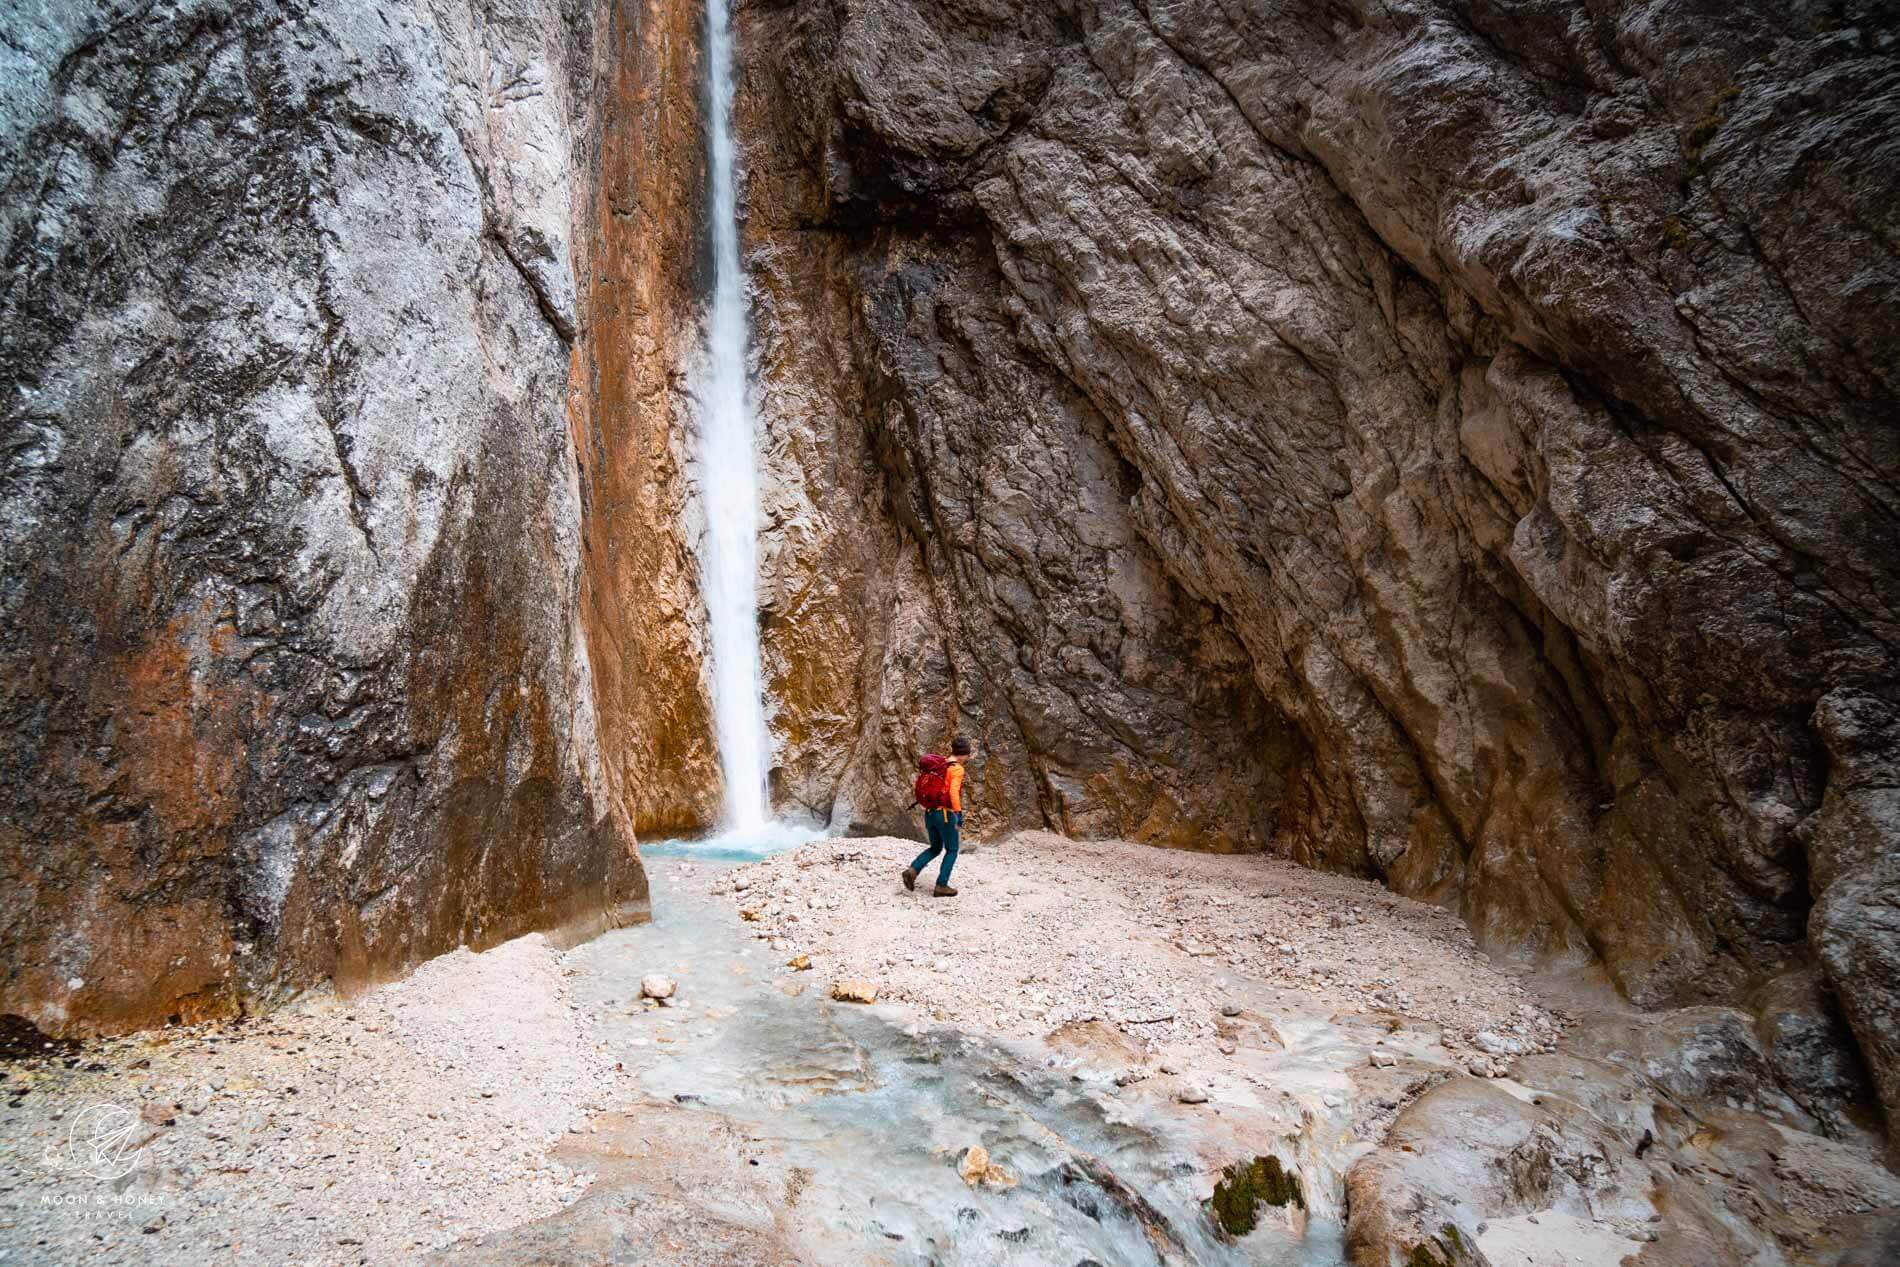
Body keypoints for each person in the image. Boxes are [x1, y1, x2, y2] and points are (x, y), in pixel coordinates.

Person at [903, 736, 972, 897]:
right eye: (967, 755)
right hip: (945, 815)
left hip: (930, 813)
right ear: (962, 754)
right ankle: (941, 885)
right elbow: (953, 792)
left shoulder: (941, 764)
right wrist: (958, 813)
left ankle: (912, 870)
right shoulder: (957, 769)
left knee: (935, 848)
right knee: (952, 849)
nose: (967, 759)